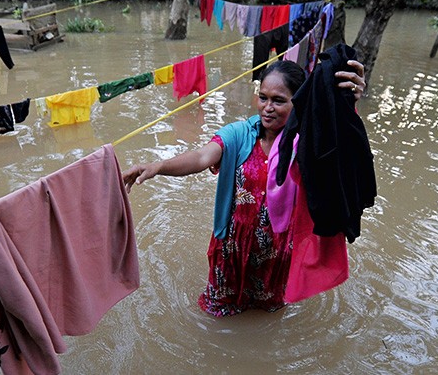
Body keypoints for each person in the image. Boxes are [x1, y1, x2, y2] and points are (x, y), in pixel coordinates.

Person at [122, 57, 366, 317]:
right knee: (216, 316)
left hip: (277, 253)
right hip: (230, 249)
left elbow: (341, 155)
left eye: (279, 100)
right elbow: (202, 157)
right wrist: (159, 166)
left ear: (299, 102)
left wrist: (348, 103)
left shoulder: (307, 144)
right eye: (263, 97)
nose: (267, 108)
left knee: (267, 318)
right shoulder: (239, 134)